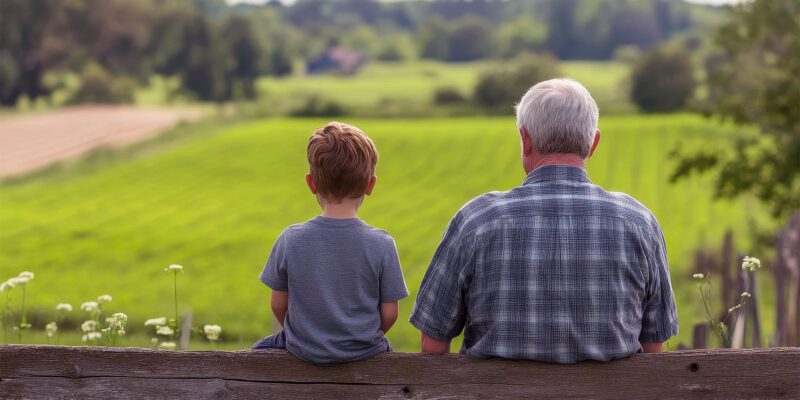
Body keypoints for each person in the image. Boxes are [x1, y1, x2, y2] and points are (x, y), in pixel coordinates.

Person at [409, 78, 678, 363]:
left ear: (525, 140)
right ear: (593, 143)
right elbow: (653, 351)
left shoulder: (476, 220)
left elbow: (433, 346)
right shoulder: (640, 223)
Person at [254, 121, 409, 365]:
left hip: (303, 349)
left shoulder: (290, 239)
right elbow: (390, 314)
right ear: (370, 185)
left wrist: (308, 338)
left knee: (258, 350)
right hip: (364, 351)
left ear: (311, 183)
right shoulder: (382, 244)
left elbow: (278, 304)